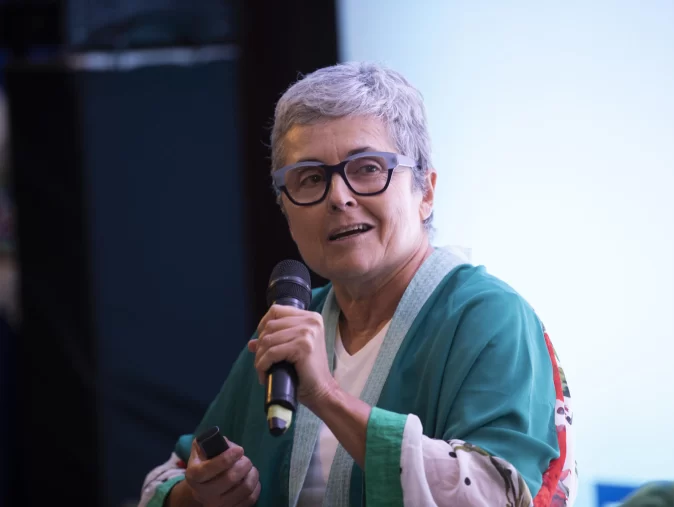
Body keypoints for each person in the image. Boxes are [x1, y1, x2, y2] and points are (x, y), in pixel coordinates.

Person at [139, 62, 577, 507]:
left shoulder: (490, 317)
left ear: (425, 191)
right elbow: (168, 477)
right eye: (310, 178)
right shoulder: (291, 327)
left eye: (367, 168)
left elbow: (496, 496)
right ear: (287, 214)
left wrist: (326, 395)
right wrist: (198, 493)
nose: (339, 197)